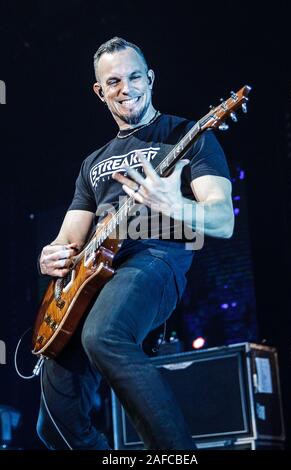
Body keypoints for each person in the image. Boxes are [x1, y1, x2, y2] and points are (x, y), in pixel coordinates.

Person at [36, 37, 234, 450]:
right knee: (54, 420)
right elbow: (68, 238)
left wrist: (174, 202)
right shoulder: (93, 162)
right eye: (113, 81)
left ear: (151, 78)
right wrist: (50, 255)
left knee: (103, 335)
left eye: (135, 77)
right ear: (99, 90)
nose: (126, 89)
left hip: (154, 259)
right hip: (90, 276)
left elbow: (222, 220)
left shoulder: (189, 134)